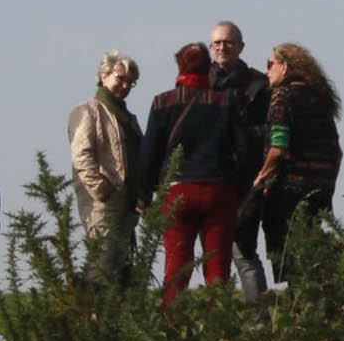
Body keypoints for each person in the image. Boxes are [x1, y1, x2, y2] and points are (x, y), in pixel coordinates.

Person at [136, 40, 257, 301]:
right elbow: (245, 151)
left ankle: (171, 319)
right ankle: (219, 321)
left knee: (176, 267)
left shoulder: (162, 103)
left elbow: (149, 155)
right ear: (207, 67)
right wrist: (242, 193)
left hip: (177, 192)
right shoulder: (225, 102)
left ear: (179, 66)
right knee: (218, 268)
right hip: (219, 191)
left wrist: (143, 196)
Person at [247, 41, 344, 281]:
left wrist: (262, 176)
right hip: (320, 190)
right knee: (313, 253)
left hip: (289, 191)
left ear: (285, 67)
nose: (266, 71)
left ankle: (297, 300)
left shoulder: (282, 96)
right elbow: (337, 151)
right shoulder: (320, 100)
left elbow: (278, 147)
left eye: (270, 64)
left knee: (288, 257)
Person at [208, 22, 270, 300]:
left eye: (228, 42)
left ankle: (259, 318)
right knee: (210, 254)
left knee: (243, 251)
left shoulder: (258, 85)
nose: (222, 47)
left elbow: (268, 130)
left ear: (241, 47)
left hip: (245, 180)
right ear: (210, 47)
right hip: (207, 178)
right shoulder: (199, 83)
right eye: (217, 43)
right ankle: (217, 317)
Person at [68, 52, 143, 280]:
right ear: (104, 76)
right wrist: (102, 189)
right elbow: (81, 155)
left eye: (130, 82)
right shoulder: (88, 111)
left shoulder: (128, 118)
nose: (125, 85)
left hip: (128, 203)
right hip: (102, 203)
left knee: (120, 267)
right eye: (120, 78)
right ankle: (93, 302)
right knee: (102, 264)